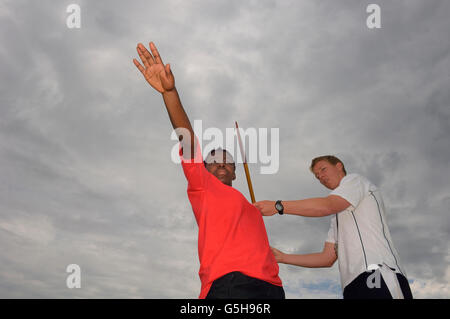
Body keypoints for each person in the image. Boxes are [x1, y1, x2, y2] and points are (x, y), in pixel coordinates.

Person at [133, 42, 284, 299]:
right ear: (204, 168)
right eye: (214, 160)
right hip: (230, 283)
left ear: (236, 173)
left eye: (227, 161)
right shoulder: (202, 186)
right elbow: (188, 141)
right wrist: (170, 93)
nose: (221, 163)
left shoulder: (252, 207)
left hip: (273, 288)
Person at [254, 155, 413, 299]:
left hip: (377, 272)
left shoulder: (354, 180)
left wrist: (278, 206)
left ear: (339, 166)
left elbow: (327, 205)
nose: (321, 176)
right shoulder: (337, 217)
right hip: (351, 285)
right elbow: (327, 257)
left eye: (323, 169)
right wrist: (282, 257)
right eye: (317, 176)